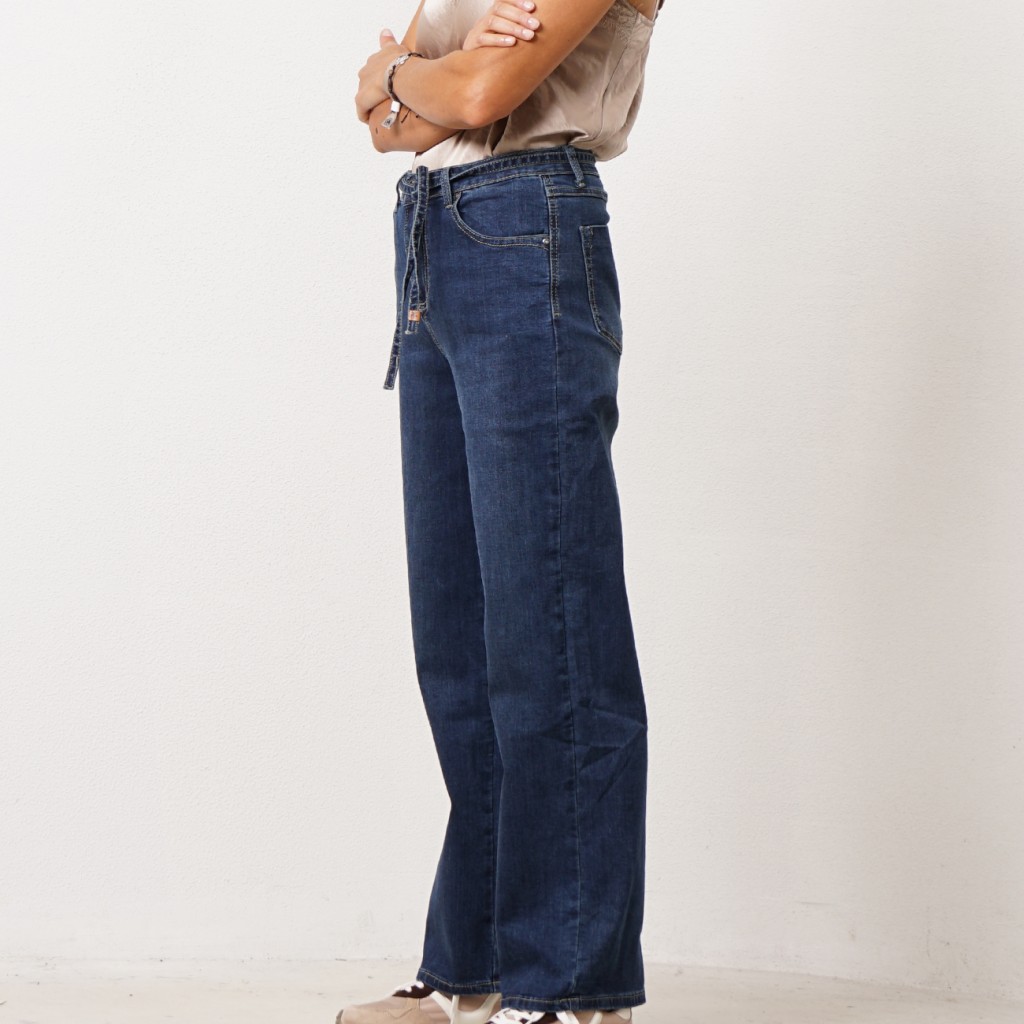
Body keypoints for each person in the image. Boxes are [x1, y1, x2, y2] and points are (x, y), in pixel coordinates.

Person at [345, 2, 662, 1024]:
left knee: (551, 628)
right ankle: (473, 967)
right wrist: (410, 82)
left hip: (528, 224)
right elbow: (388, 129)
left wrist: (404, 74)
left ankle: (570, 986)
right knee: (461, 638)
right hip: (431, 235)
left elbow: (474, 94)